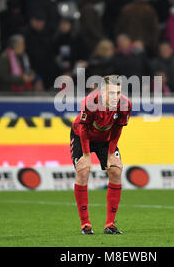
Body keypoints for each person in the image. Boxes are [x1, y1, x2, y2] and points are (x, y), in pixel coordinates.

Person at [70, 75, 132, 235]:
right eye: (111, 93)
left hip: (105, 139)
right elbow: (83, 129)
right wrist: (86, 155)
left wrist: (111, 154)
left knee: (116, 170)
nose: (115, 97)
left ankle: (110, 224)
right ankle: (85, 224)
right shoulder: (90, 102)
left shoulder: (125, 104)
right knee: (83, 172)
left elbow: (118, 128)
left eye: (118, 93)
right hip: (82, 136)